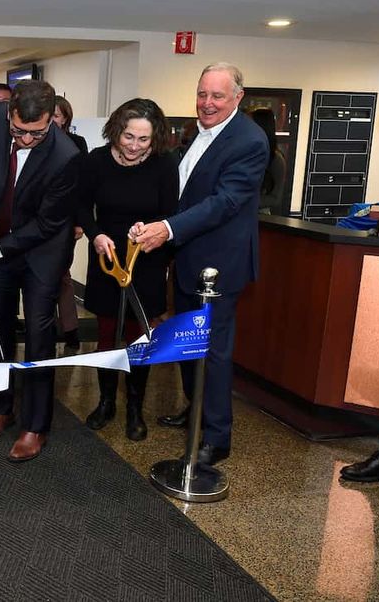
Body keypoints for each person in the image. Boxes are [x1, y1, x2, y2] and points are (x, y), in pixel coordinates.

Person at [132, 62, 268, 466]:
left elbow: (224, 203)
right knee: (191, 345)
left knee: (213, 352)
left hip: (219, 268)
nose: (207, 103)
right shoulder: (201, 133)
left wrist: (168, 228)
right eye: (202, 94)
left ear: (238, 98)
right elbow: (187, 192)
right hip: (191, 261)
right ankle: (196, 412)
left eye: (217, 96)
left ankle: (216, 436)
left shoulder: (249, 140)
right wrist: (156, 221)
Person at [0, 80, 80, 462]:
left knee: (40, 334)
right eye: (19, 131)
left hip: (42, 250)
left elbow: (45, 225)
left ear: (50, 122)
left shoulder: (66, 155)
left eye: (36, 132)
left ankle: (34, 426)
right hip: (0, 239)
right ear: (8, 114)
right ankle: (0, 408)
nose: (25, 139)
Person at [78, 99, 178, 440]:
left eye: (143, 140)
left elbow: (169, 214)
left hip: (146, 261)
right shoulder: (96, 161)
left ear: (155, 139)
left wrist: (149, 231)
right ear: (116, 131)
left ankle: (135, 408)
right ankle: (106, 402)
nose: (134, 146)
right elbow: (81, 207)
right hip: (108, 259)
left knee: (139, 340)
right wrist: (95, 234)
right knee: (107, 338)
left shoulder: (165, 165)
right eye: (128, 137)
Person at [51, 95, 89, 350]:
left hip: (66, 222)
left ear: (65, 117)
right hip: (37, 222)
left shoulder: (76, 144)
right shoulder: (32, 142)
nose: (52, 119)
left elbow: (82, 187)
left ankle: (70, 329)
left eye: (56, 114)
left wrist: (79, 222)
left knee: (61, 276)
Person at [249, 108, 287, 215]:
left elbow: (275, 198)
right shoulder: (240, 151)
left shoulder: (276, 160)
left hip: (258, 215)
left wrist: (244, 203)